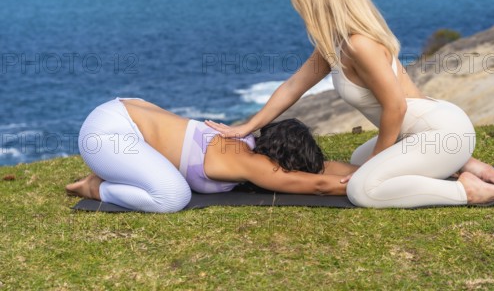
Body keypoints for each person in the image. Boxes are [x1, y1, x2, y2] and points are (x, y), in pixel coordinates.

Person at [206, 0, 494, 208]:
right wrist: (245, 127)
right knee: (358, 159)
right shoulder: (335, 44)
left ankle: (467, 191)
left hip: (444, 130)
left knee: (363, 189)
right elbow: (292, 87)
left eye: (301, 1)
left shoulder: (360, 45)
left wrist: (376, 164)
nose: (299, 9)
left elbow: (395, 106)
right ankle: (461, 163)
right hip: (433, 132)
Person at [66, 97, 356, 213]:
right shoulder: (250, 162)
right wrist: (367, 183)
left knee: (170, 183)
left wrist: (368, 166)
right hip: (107, 134)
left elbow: (322, 169)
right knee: (173, 197)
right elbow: (318, 184)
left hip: (123, 113)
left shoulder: (250, 143)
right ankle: (96, 187)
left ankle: (118, 170)